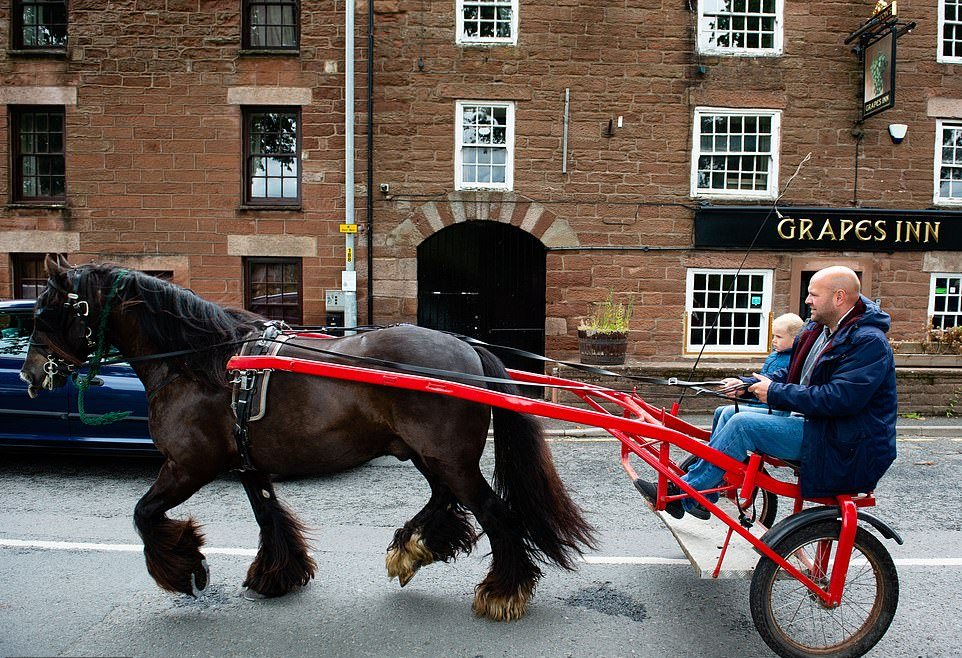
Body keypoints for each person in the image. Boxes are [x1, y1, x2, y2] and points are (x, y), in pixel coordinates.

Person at [636, 266, 898, 520]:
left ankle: (684, 495)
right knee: (727, 413)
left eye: (814, 294)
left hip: (844, 442)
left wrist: (774, 393)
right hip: (818, 425)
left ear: (839, 297)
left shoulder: (868, 342)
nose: (807, 300)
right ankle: (704, 492)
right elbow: (793, 375)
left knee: (742, 425)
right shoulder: (821, 329)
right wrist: (748, 385)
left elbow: (839, 398)